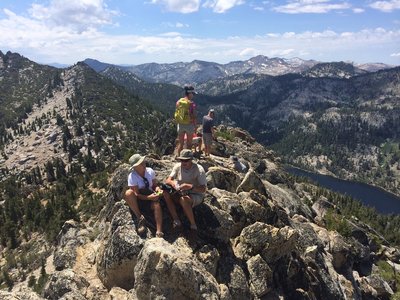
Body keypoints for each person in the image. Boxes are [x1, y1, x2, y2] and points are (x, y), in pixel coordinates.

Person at [163, 149, 207, 237]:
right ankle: (176, 220)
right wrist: (173, 184)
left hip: (195, 194)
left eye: (186, 160)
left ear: (191, 160)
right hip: (180, 191)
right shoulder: (177, 166)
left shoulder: (199, 169)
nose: (183, 162)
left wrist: (191, 186)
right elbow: (168, 179)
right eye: (181, 160)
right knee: (165, 192)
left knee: (184, 200)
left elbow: (203, 189)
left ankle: (193, 226)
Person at [124, 154, 164, 238]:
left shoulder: (150, 171)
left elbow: (154, 185)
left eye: (143, 162)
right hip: (140, 199)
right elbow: (136, 194)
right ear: (135, 167)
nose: (144, 164)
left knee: (156, 204)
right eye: (140, 164)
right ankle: (140, 218)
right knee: (128, 193)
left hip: (150, 195)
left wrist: (157, 189)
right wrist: (148, 198)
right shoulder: (132, 176)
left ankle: (159, 231)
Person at [174, 85, 197, 156]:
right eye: (192, 93)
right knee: (189, 144)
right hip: (189, 125)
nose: (193, 95)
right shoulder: (191, 103)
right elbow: (193, 116)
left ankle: (178, 157)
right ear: (189, 93)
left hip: (180, 124)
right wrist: (195, 125)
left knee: (181, 143)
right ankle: (187, 158)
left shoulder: (179, 101)